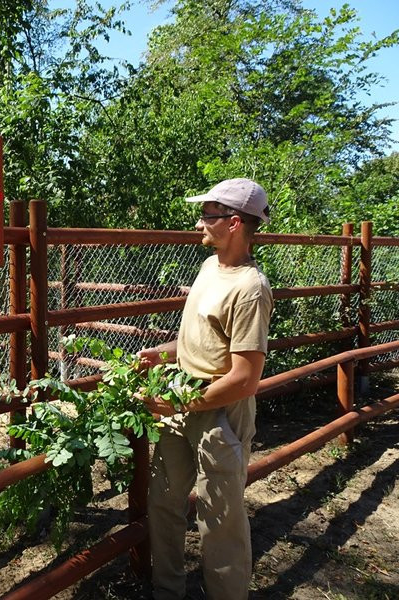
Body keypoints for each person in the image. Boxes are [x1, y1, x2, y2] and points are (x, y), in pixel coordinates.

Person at [137, 178, 274, 600]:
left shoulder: (250, 289)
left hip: (220, 416)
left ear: (233, 223)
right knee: (163, 502)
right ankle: (168, 591)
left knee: (220, 521)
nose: (200, 222)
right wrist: (163, 352)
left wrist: (178, 401)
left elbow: (244, 378)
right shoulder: (208, 268)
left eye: (208, 215)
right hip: (183, 403)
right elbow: (200, 341)